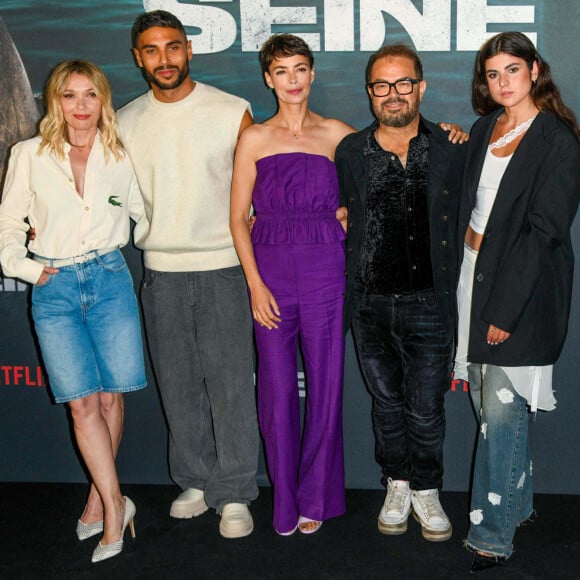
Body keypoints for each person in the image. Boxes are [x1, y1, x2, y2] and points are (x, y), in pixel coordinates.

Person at [116, 10, 259, 539]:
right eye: (151, 50)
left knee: (229, 388)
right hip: (161, 274)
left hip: (223, 267)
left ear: (189, 50)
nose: (164, 59)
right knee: (178, 387)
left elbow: (258, 193)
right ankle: (196, 481)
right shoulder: (125, 121)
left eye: (173, 47)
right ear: (138, 58)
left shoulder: (230, 111)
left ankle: (236, 490)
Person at [0, 60, 148, 563]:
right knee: (81, 403)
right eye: (69, 95)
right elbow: (6, 227)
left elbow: (143, 214)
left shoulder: (120, 155)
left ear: (103, 100)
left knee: (110, 400)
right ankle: (115, 505)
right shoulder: (29, 155)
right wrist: (27, 267)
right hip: (55, 286)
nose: (80, 106)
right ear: (53, 101)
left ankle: (99, 501)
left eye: (90, 95)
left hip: (109, 280)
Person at [453, 32, 580, 572]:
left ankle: (492, 533)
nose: (502, 82)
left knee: (502, 415)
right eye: (492, 73)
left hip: (518, 293)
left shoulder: (558, 139)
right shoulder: (485, 128)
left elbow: (544, 232)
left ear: (534, 69)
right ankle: (519, 503)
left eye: (512, 70)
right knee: (487, 408)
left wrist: (506, 311)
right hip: (470, 277)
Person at [335, 44, 468, 542]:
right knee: (385, 406)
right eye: (381, 86)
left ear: (421, 86)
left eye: (403, 83)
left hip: (430, 302)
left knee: (426, 407)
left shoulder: (452, 146)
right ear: (370, 92)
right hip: (368, 304)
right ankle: (398, 483)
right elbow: (335, 209)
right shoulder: (350, 150)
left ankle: (428, 490)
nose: (393, 94)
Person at [230, 33, 354, 536]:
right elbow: (239, 218)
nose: (293, 80)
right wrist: (256, 286)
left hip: (327, 270)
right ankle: (285, 500)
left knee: (326, 387)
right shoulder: (254, 139)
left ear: (312, 74)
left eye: (301, 69)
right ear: (268, 79)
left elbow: (385, 174)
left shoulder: (339, 135)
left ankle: (316, 498)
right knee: (277, 392)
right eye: (282, 71)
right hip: (272, 273)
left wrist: (347, 216)